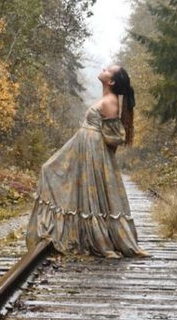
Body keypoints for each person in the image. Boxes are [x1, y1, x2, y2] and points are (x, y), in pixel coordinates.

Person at [25, 64, 148, 257]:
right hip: (84, 147)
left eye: (108, 70)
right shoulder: (106, 99)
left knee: (90, 193)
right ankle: (91, 236)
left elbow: (114, 136)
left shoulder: (110, 101)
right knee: (50, 169)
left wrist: (101, 162)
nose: (104, 68)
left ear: (111, 81)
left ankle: (102, 241)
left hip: (93, 150)